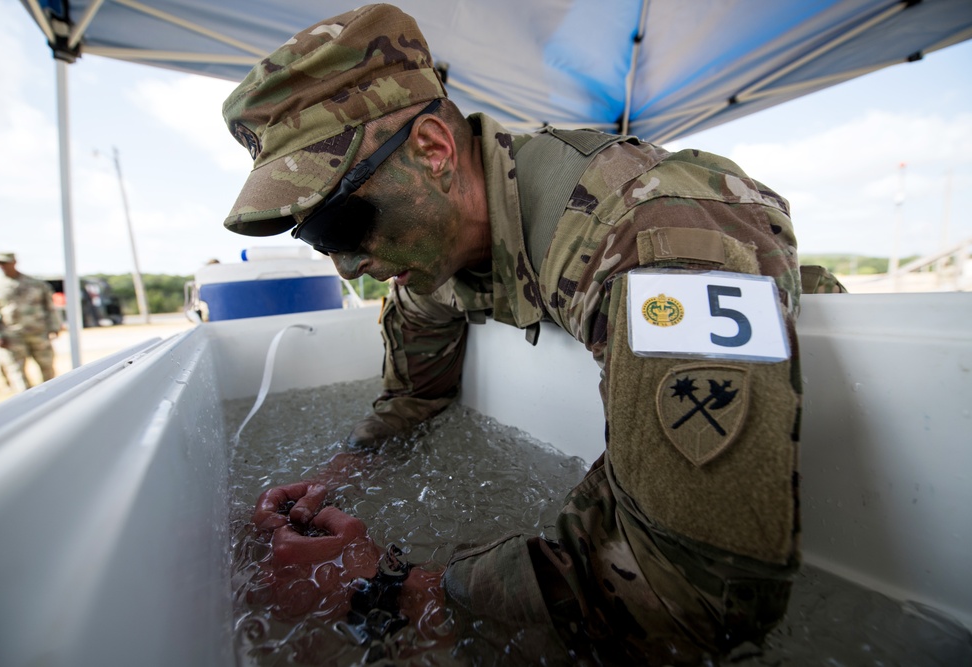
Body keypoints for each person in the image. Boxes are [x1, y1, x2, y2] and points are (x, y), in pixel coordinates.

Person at [222, 5, 803, 663]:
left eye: (341, 224)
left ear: (433, 150)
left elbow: (701, 594)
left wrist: (384, 592)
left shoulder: (649, 235)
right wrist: (336, 474)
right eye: (313, 236)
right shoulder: (423, 258)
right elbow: (414, 396)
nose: (346, 264)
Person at [0, 253, 61, 392]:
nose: (2, 266)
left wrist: (54, 326)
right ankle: (26, 400)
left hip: (38, 332)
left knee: (47, 367)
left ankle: (52, 394)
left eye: (5, 262)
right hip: (11, 335)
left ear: (14, 262)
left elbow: (49, 307)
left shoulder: (36, 283)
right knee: (15, 371)